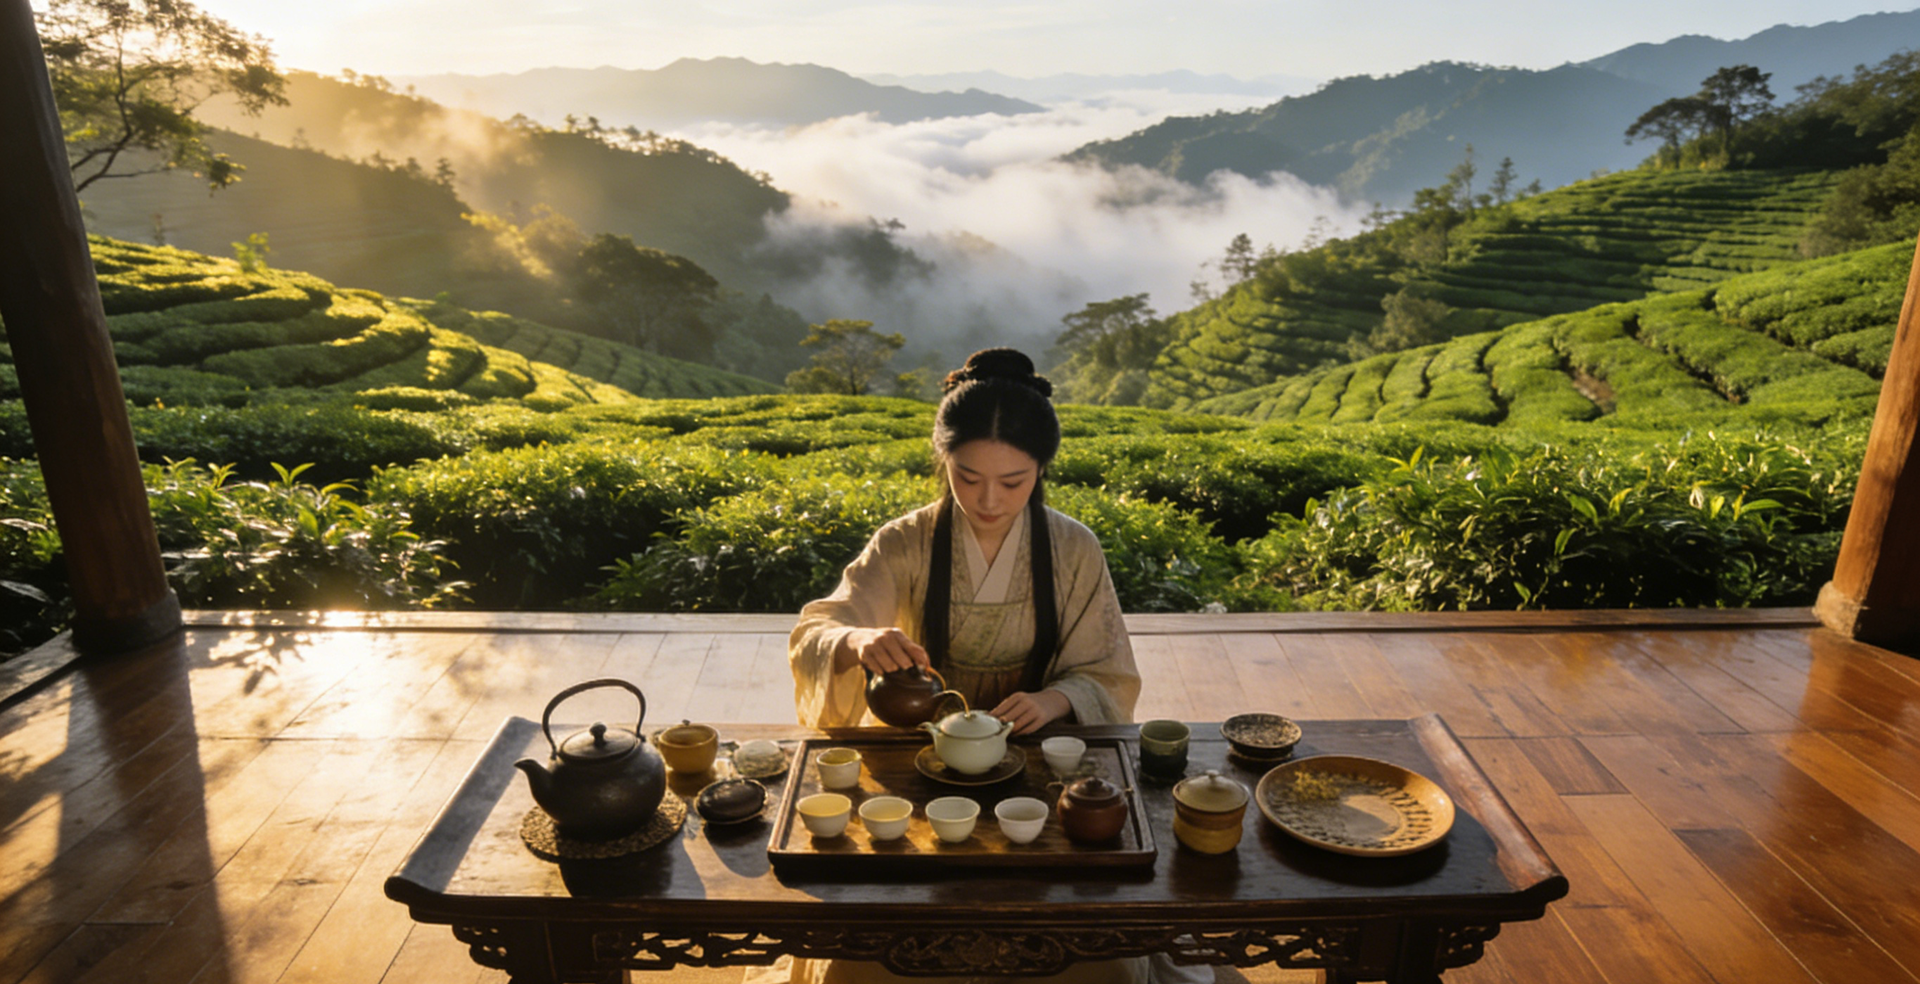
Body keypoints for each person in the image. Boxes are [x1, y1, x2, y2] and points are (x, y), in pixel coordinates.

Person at [761, 348, 1169, 984]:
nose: (987, 499)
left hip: (1037, 761)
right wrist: (859, 640)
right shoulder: (905, 540)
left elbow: (1108, 671)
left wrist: (1057, 700)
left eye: (1014, 481)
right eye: (966, 475)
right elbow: (819, 626)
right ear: (942, 457)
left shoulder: (1072, 548)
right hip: (919, 756)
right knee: (860, 965)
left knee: (1100, 965)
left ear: (1041, 469)